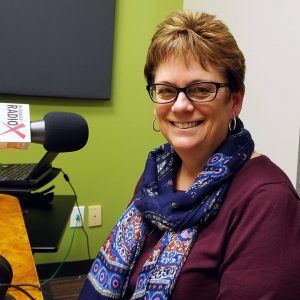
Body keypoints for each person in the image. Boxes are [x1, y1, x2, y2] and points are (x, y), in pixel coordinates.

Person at [79, 10, 300, 299]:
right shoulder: (156, 176)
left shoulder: (267, 201)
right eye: (167, 90)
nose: (181, 105)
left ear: (235, 100)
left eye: (200, 89)